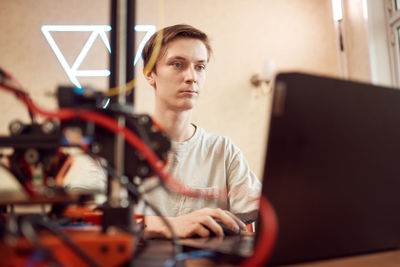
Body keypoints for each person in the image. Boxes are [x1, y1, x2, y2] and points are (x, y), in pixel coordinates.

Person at [138, 24, 261, 239]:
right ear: (150, 74)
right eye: (178, 64)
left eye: (200, 67)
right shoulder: (120, 145)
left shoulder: (222, 150)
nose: (191, 77)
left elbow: (266, 211)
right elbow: (82, 220)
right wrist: (171, 225)